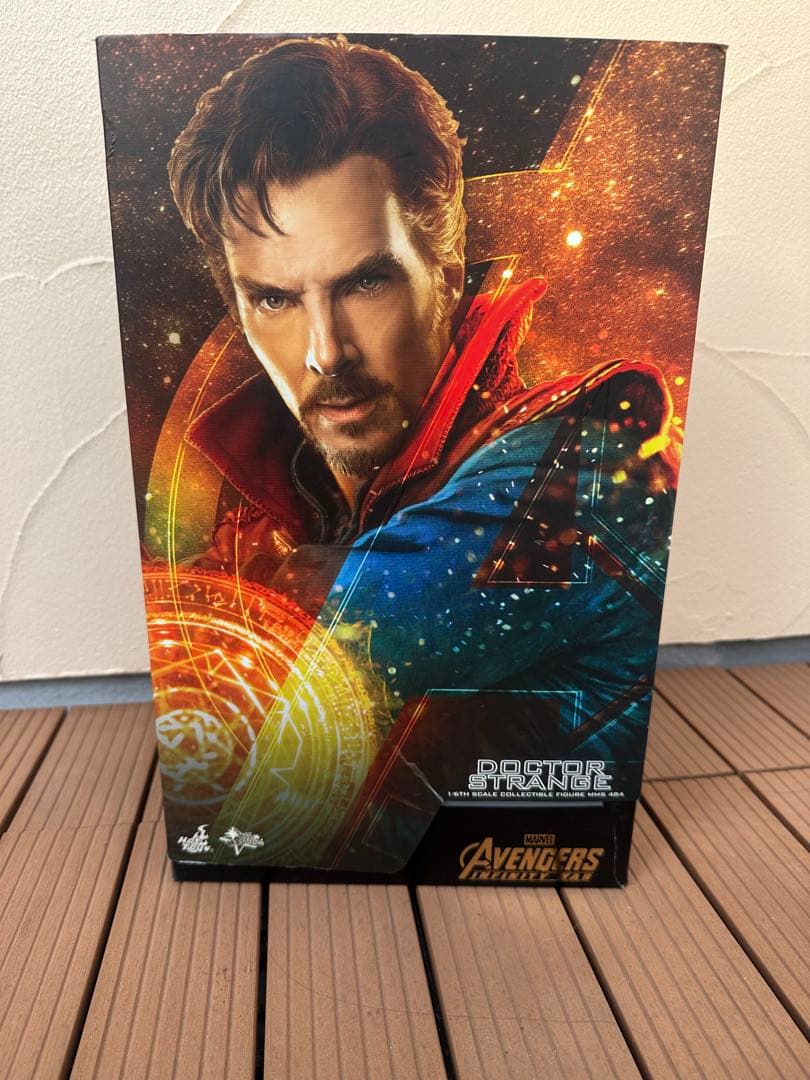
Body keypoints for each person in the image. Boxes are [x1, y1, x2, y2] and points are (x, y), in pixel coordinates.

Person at [168, 36, 678, 867]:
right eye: (274, 299)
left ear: (445, 267)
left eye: (365, 282)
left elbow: (277, 682)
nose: (325, 354)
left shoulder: (575, 469)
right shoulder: (274, 511)